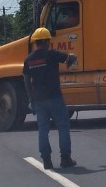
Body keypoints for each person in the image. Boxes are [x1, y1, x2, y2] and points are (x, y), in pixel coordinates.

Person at [22, 27, 79, 169]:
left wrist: (31, 99)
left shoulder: (28, 59)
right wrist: (72, 60)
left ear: (35, 42)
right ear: (47, 42)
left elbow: (26, 81)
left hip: (39, 100)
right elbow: (70, 59)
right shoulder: (52, 54)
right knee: (63, 127)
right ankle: (65, 159)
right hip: (54, 97)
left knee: (43, 130)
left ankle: (46, 161)